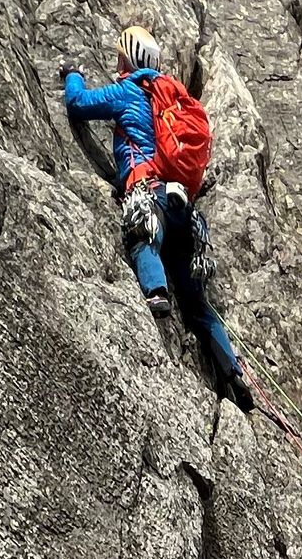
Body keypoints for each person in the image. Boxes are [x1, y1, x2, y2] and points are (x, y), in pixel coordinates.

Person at [63, 24, 254, 411]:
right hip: (185, 210)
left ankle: (156, 292)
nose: (117, 64)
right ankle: (232, 371)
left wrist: (72, 76)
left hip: (149, 195)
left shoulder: (130, 90)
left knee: (142, 240)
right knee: (198, 302)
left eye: (120, 57)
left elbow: (79, 104)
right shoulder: (171, 99)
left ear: (129, 59)